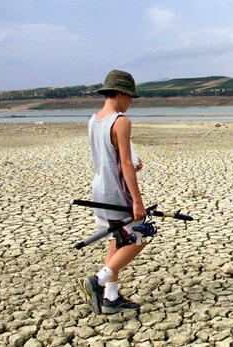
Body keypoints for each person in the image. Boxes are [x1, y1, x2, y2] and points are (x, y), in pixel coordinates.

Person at [78, 69, 147, 315]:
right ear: (119, 93)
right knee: (141, 235)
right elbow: (125, 164)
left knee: (115, 241)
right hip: (117, 192)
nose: (130, 102)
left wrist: (129, 164)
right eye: (129, 97)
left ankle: (111, 297)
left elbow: (114, 156)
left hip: (99, 189)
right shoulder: (121, 121)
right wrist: (137, 201)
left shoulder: (93, 119)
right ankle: (97, 281)